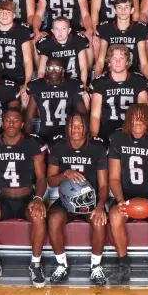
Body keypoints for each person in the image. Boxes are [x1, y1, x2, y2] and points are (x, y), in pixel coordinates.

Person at [0, 108, 48, 288]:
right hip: (4, 200)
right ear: (2, 122)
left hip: (27, 198)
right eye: (7, 120)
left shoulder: (32, 144)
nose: (11, 123)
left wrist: (38, 198)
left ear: (22, 124)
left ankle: (35, 264)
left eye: (15, 120)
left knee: (39, 215)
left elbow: (41, 178)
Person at [107, 104, 148, 285]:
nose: (137, 122)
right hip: (126, 196)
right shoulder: (118, 139)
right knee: (115, 216)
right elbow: (113, 178)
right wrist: (120, 200)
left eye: (142, 118)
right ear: (128, 120)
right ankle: (123, 265)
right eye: (134, 118)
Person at [46, 113, 110, 285]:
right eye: (72, 125)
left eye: (80, 125)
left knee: (99, 221)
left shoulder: (97, 148)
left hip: (90, 200)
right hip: (66, 200)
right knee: (54, 219)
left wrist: (100, 206)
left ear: (86, 128)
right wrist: (65, 173)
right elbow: (51, 181)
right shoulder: (58, 147)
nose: (76, 129)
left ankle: (95, 267)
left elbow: (104, 185)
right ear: (67, 128)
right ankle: (62, 265)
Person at [89, 45, 148, 139]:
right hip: (107, 132)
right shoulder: (100, 83)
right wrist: (94, 137)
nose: (118, 62)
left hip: (132, 132)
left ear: (127, 62)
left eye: (121, 58)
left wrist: (141, 138)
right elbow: (95, 116)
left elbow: (143, 112)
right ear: (109, 62)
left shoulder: (138, 81)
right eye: (114, 58)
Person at [26, 59, 88, 143]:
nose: (53, 71)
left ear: (63, 71)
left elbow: (83, 115)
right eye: (50, 68)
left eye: (57, 68)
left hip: (67, 135)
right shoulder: (37, 86)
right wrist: (27, 141)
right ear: (46, 71)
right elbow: (29, 118)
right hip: (45, 134)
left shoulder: (72, 86)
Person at [94, 0, 148, 79]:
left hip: (132, 75)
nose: (123, 10)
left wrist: (146, 83)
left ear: (132, 10)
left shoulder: (139, 29)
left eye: (126, 7)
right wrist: (97, 81)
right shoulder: (107, 28)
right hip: (111, 75)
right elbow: (100, 61)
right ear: (114, 10)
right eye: (119, 7)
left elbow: (144, 63)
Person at [36, 17, 90, 86]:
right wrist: (42, 87)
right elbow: (41, 71)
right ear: (52, 31)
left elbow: (83, 68)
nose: (60, 32)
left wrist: (83, 86)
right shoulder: (46, 43)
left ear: (69, 30)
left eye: (63, 28)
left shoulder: (78, 40)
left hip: (75, 81)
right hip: (54, 82)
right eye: (56, 29)